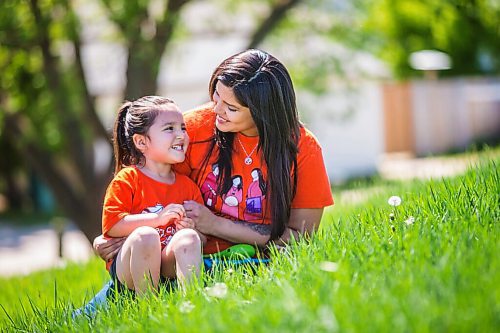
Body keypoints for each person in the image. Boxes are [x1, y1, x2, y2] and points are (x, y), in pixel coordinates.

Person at [83, 49, 333, 315]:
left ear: (262, 113)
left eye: (231, 108)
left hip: (248, 264)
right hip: (171, 265)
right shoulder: (192, 129)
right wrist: (117, 237)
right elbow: (146, 186)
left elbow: (299, 240)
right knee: (79, 320)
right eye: (216, 96)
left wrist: (215, 224)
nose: (217, 110)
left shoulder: (303, 149)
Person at [99, 96, 204, 296]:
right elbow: (112, 225)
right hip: (129, 269)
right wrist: (157, 219)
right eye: (169, 129)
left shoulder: (187, 185)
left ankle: (192, 302)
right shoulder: (127, 179)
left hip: (167, 264)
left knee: (189, 238)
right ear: (141, 142)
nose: (181, 134)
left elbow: (203, 241)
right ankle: (147, 305)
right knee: (145, 235)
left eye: (183, 128)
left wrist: (192, 230)